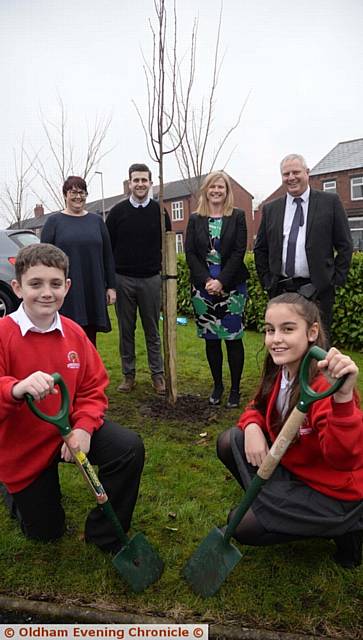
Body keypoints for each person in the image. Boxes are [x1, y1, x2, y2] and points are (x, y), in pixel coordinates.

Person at [0, 243, 144, 553]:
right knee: (45, 532)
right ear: (17, 287)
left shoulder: (74, 333)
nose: (46, 293)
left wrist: (84, 426)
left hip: (67, 430)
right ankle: (12, 491)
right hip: (24, 444)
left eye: (55, 284)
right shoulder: (3, 334)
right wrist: (14, 388)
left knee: (128, 448)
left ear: (67, 287)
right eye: (35, 284)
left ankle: (104, 535)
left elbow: (93, 389)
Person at [217, 293, 363, 569]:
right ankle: (276, 505)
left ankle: (348, 527)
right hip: (298, 470)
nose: (276, 339)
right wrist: (251, 426)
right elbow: (257, 404)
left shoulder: (323, 387)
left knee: (241, 525)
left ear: (312, 332)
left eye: (287, 329)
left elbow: (344, 459)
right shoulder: (280, 368)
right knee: (230, 441)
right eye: (270, 330)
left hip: (334, 492)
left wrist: (342, 400)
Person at [254, 154, 353, 339]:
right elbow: (260, 249)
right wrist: (268, 281)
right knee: (283, 343)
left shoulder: (330, 202)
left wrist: (333, 281)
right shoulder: (271, 209)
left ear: (307, 173)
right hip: (281, 290)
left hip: (318, 291)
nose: (291, 177)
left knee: (318, 344)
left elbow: (345, 245)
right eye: (286, 174)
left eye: (296, 172)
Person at [185, 171, 249, 408]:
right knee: (211, 339)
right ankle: (218, 385)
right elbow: (190, 252)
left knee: (233, 339)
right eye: (212, 187)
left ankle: (234, 389)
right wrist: (206, 281)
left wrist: (221, 280)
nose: (216, 191)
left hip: (232, 288)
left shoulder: (238, 216)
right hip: (203, 289)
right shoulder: (194, 219)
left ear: (227, 190)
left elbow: (239, 251)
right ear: (206, 190)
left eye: (221, 187)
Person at [106, 163, 171, 395]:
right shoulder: (117, 213)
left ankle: (157, 376)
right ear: (129, 183)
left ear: (150, 183)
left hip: (151, 279)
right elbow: (108, 248)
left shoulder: (160, 212)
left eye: (144, 180)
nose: (140, 184)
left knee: (153, 330)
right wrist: (110, 283)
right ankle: (128, 375)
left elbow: (168, 244)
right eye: (136, 180)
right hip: (123, 279)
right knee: (126, 330)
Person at [41, 176, 116, 347]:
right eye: (73, 192)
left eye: (82, 192)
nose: (78, 196)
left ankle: (89, 370)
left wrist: (111, 287)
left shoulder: (96, 221)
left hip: (93, 286)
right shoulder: (54, 222)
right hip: (66, 289)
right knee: (67, 333)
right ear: (65, 195)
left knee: (90, 336)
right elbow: (43, 259)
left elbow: (107, 256)